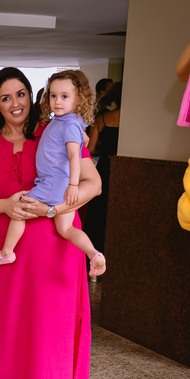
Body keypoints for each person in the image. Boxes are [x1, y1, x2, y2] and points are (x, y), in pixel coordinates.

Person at [0, 67, 102, 379]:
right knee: (2, 319)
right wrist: (5, 205)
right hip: (5, 245)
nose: (15, 103)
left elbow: (93, 184)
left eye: (21, 93)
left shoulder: (56, 130)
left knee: (49, 323)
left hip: (54, 245)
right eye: (6, 97)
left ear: (31, 96)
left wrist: (53, 210)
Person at [0, 69, 106, 277]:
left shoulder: (69, 125)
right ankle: (94, 254)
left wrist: (69, 189)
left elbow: (75, 158)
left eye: (64, 96)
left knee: (21, 209)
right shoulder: (66, 122)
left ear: (79, 99)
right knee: (66, 229)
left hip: (54, 182)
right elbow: (77, 130)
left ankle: (6, 252)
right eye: (53, 96)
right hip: (60, 184)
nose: (57, 101)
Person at [84, 81, 120, 254]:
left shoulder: (103, 119)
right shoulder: (136, 121)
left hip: (106, 167)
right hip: (124, 169)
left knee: (100, 212)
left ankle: (94, 254)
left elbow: (90, 149)